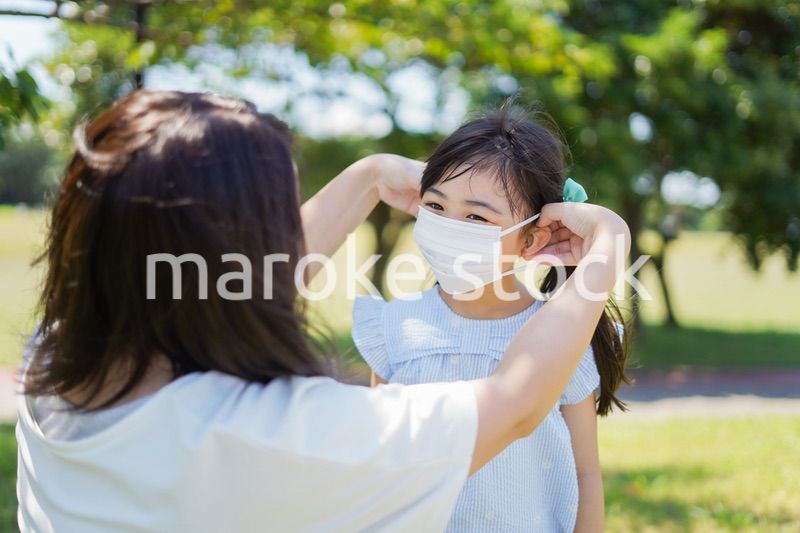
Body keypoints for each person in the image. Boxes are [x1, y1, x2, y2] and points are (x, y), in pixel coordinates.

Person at [16, 90, 630, 532]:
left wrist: (370, 177)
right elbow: (516, 402)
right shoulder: (282, 435)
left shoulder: (55, 361)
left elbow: (232, 284)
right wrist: (608, 247)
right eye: (280, 219)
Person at [353, 109, 631, 532]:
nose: (448, 226)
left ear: (532, 237)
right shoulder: (395, 326)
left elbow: (585, 473)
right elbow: (382, 460)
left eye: (476, 217)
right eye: (435, 205)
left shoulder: (564, 334)